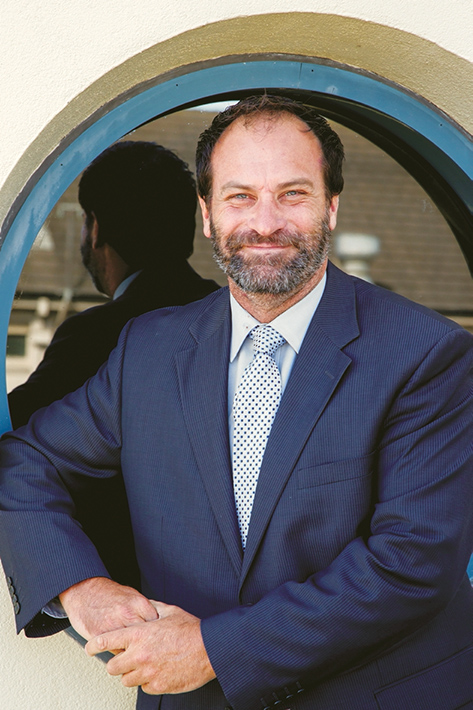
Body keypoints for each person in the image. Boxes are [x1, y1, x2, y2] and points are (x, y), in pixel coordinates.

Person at [0, 95, 472, 710]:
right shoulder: (147, 348)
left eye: (293, 194)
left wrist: (213, 649)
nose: (266, 222)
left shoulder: (427, 353)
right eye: (240, 196)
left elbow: (409, 563)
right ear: (206, 213)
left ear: (332, 205)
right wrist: (78, 587)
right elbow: (24, 462)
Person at [7, 140, 219, 586]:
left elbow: (18, 443)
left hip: (122, 585)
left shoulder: (97, 335)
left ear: (96, 228)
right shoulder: (235, 317)